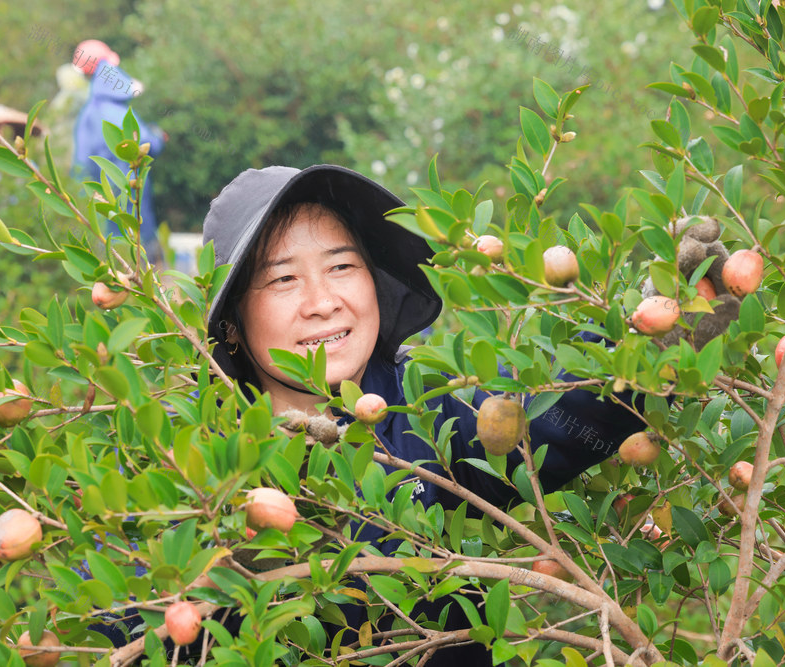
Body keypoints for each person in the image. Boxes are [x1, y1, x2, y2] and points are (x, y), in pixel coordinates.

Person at [195, 164, 658, 664]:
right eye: (283, 278)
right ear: (232, 323)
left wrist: (647, 343)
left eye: (342, 267)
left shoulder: (427, 405)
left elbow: (547, 410)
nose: (323, 302)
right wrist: (221, 592)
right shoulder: (199, 466)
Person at [72, 39, 166, 261]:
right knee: (135, 248)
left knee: (113, 251)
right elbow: (140, 143)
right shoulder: (112, 109)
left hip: (99, 197)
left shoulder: (88, 112)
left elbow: (80, 164)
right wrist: (157, 138)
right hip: (126, 191)